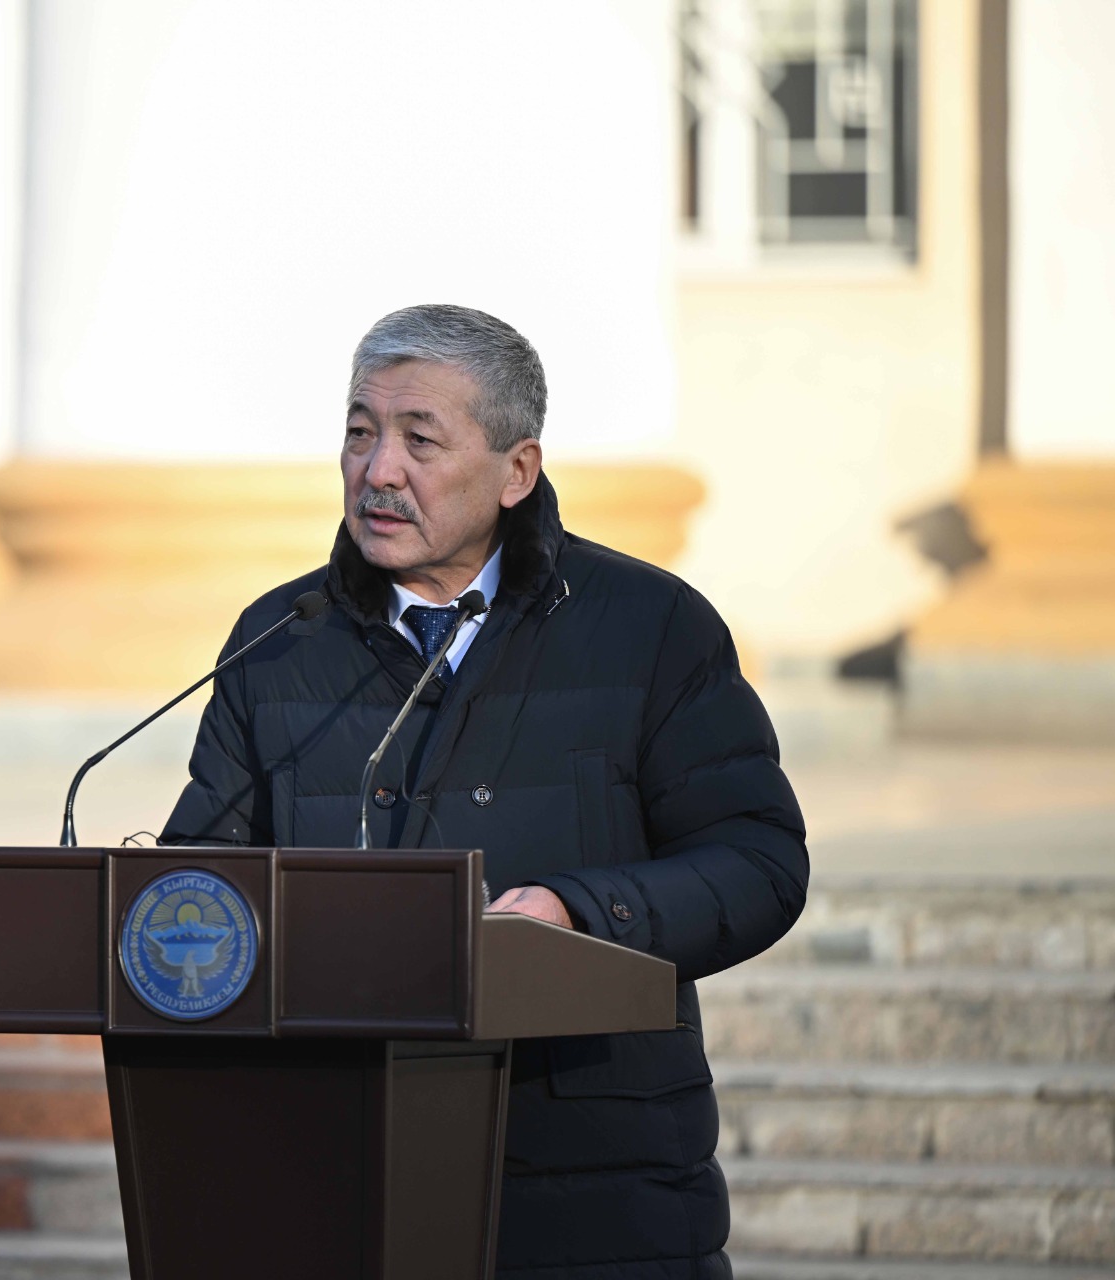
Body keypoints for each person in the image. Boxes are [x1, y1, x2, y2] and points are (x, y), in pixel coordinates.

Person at [162, 304, 807, 1279]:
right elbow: (203, 877)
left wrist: (577, 913)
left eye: (419, 440)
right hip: (340, 1172)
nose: (379, 469)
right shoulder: (281, 638)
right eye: (360, 432)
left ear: (517, 471)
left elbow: (757, 862)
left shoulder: (648, 627)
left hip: (594, 1185)